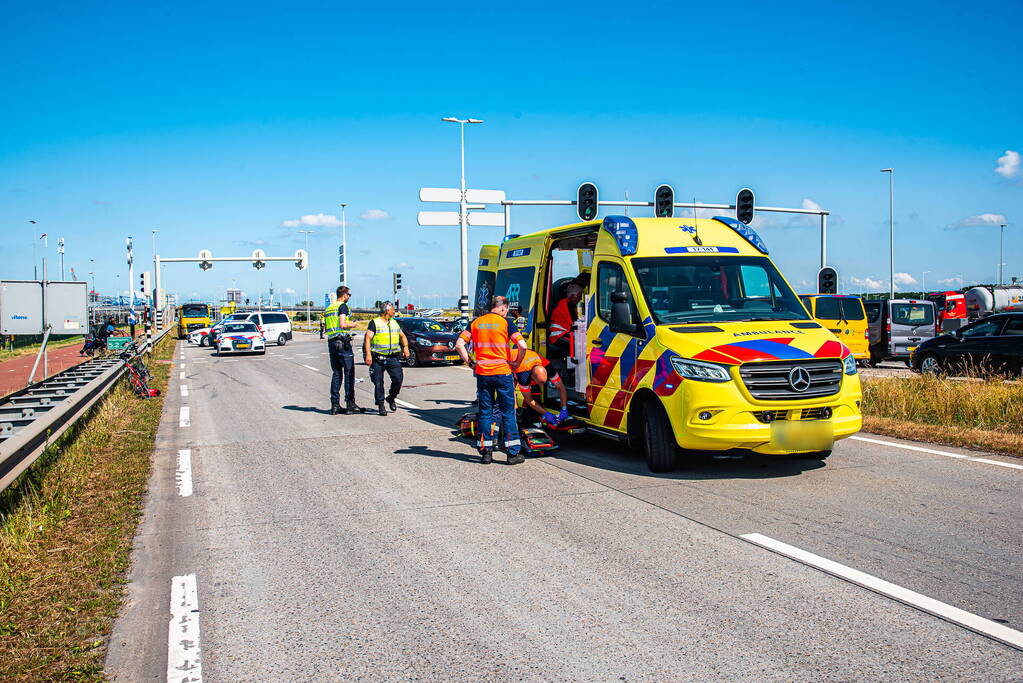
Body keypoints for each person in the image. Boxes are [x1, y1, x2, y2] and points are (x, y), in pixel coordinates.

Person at [455, 295, 528, 465]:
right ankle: (512, 454)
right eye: (506, 310)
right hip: (503, 372)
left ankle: (486, 453)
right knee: (508, 412)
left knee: (485, 413)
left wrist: (471, 363)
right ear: (503, 308)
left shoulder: (476, 322)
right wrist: (517, 363)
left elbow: (459, 344)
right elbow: (522, 345)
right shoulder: (506, 323)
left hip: (483, 374)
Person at [363, 301, 410, 416]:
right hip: (378, 358)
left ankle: (391, 397)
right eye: (393, 310)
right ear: (387, 310)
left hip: (393, 357)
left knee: (398, 379)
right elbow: (367, 338)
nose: (394, 312)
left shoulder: (394, 322)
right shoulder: (375, 323)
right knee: (378, 382)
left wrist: (406, 347)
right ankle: (381, 405)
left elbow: (402, 336)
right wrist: (368, 355)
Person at [324, 286, 360, 415]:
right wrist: (353, 324)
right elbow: (343, 324)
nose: (349, 297)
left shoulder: (329, 308)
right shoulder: (342, 306)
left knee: (337, 373)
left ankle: (335, 405)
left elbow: (326, 327)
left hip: (332, 342)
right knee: (349, 373)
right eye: (349, 295)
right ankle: (350, 404)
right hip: (343, 343)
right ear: (344, 295)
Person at [513, 350, 569, 426]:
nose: (542, 386)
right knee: (510, 392)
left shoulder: (547, 366)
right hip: (509, 364)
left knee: (536, 391)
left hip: (526, 360)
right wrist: (546, 413)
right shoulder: (523, 375)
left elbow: (561, 387)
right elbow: (529, 400)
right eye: (539, 383)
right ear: (532, 377)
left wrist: (564, 408)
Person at [548, 284, 582, 359]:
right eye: (579, 296)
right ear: (572, 295)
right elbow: (573, 322)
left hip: (562, 333)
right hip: (558, 335)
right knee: (581, 346)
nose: (580, 299)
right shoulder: (568, 305)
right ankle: (596, 361)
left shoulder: (566, 304)